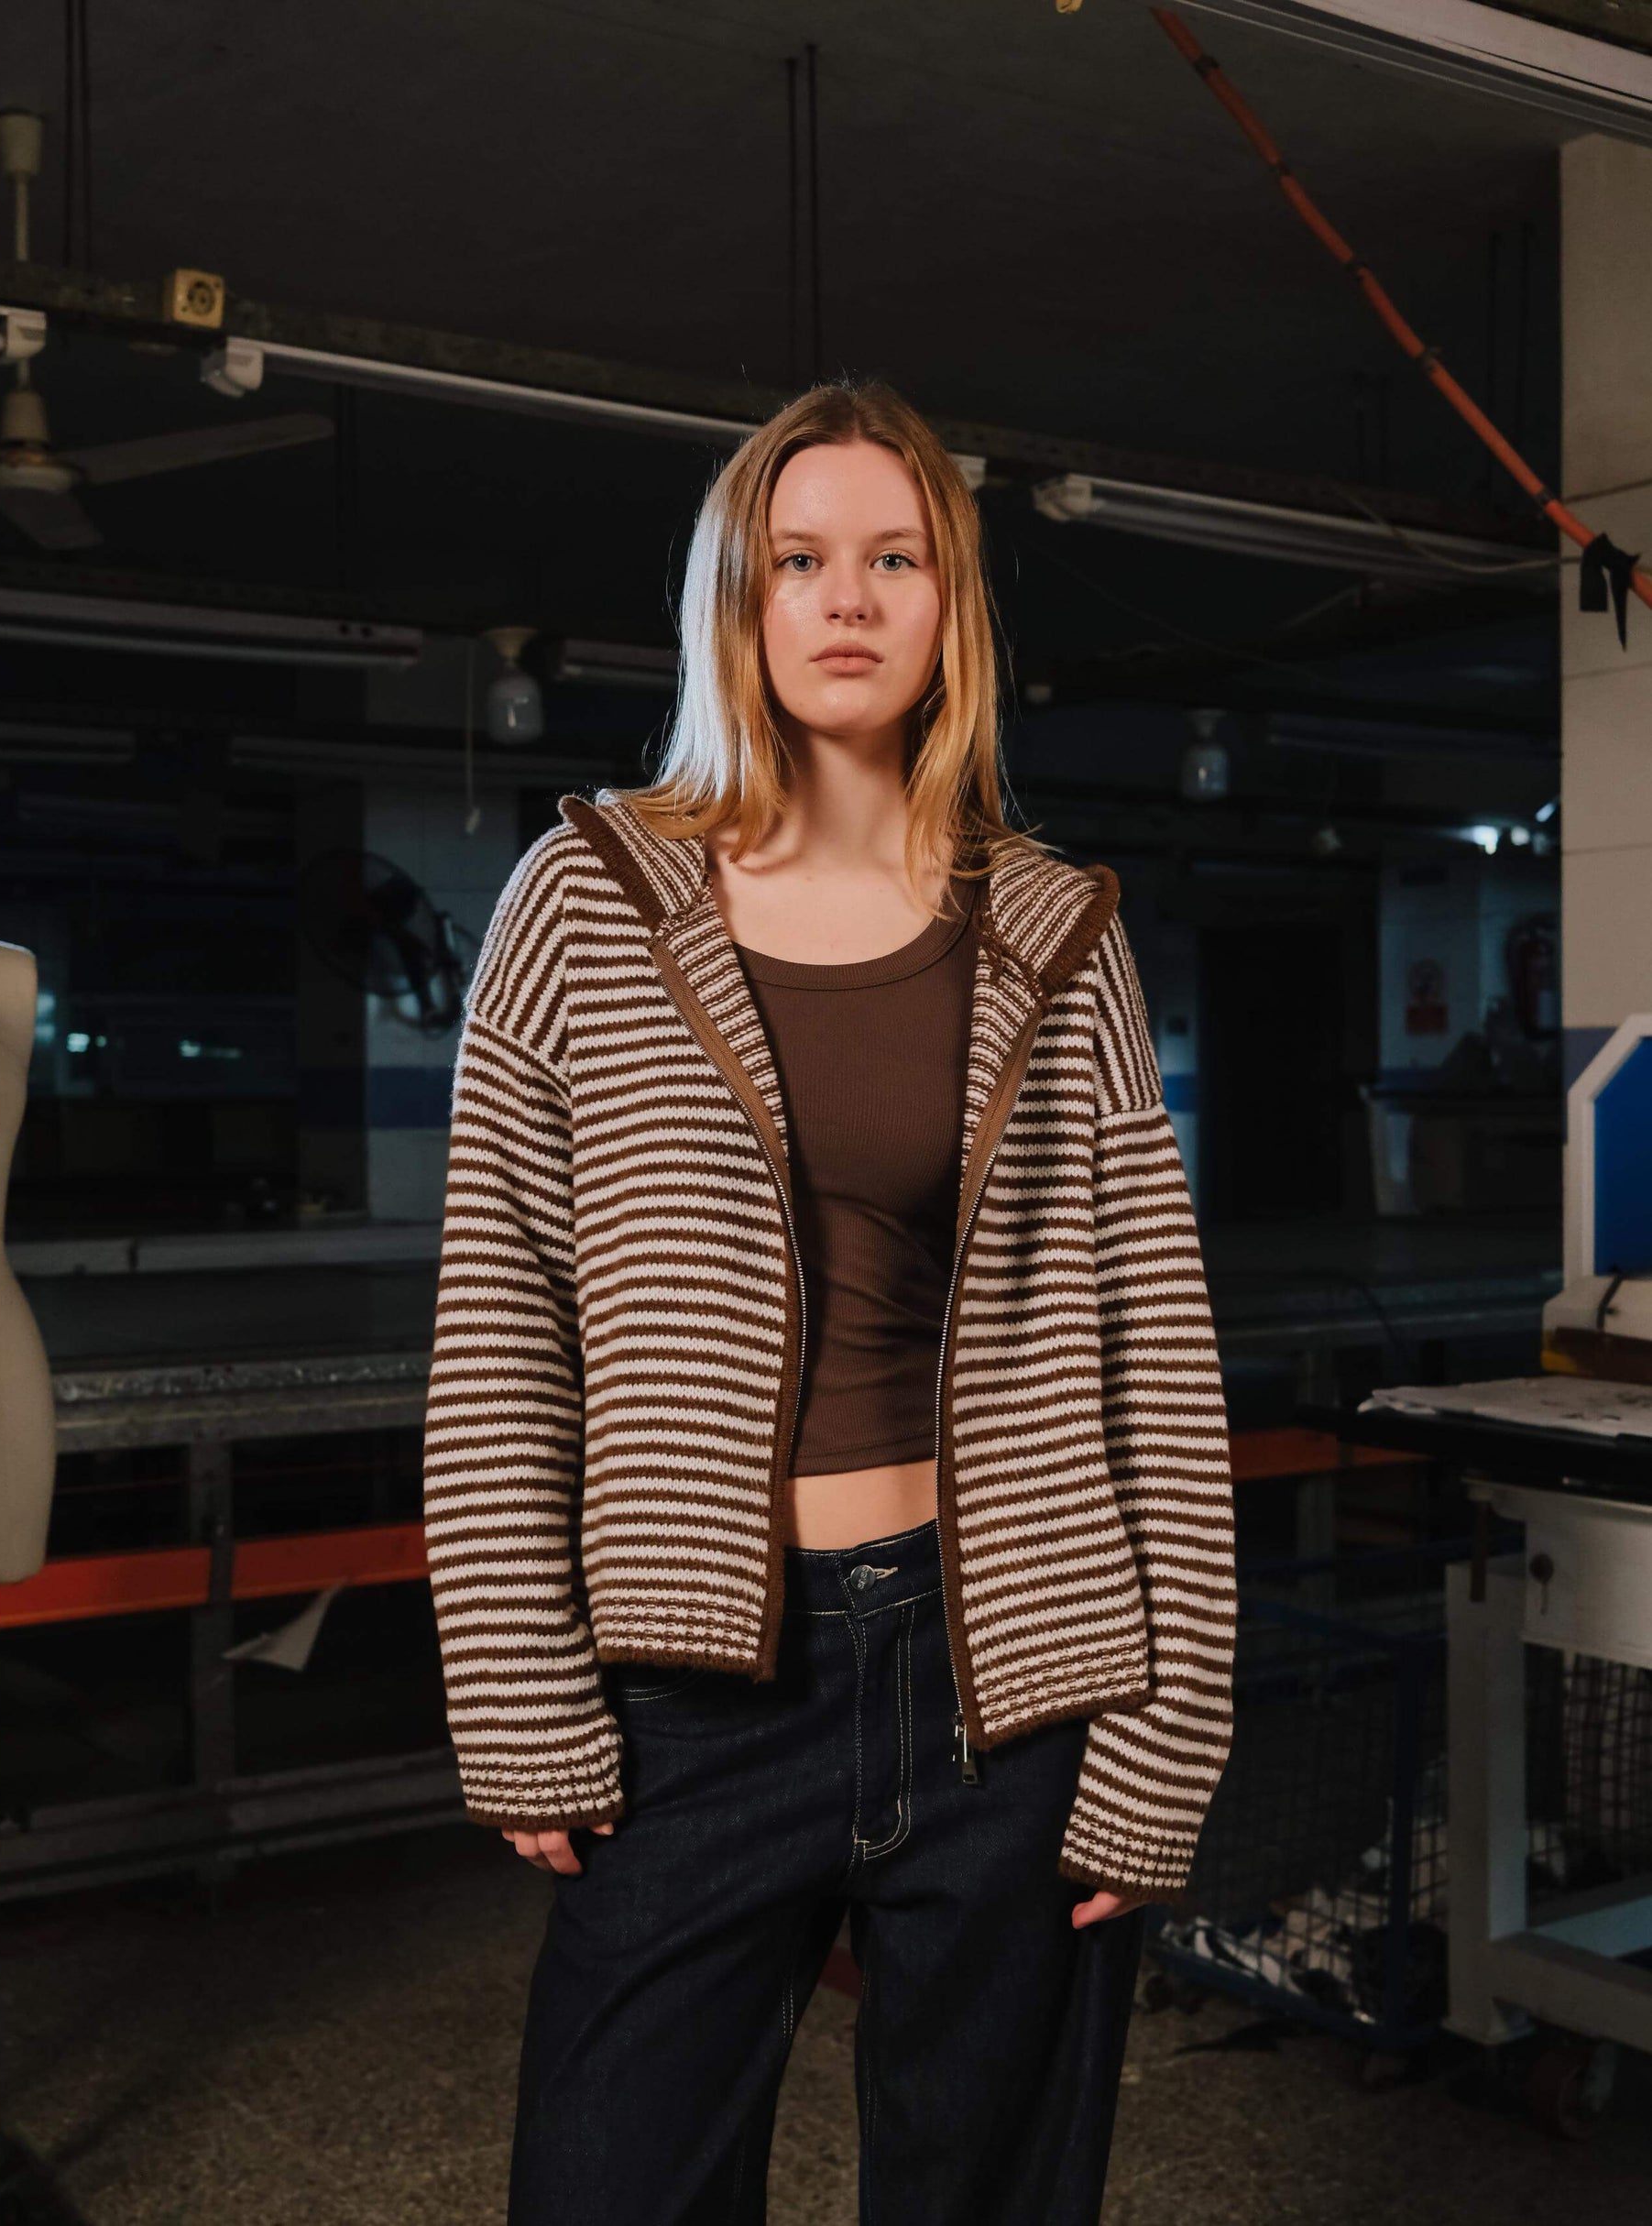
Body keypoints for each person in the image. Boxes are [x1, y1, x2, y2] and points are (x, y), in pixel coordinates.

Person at [422, 380, 1236, 2224]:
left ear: (950, 606)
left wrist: (1165, 1741)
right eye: (799, 560)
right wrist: (517, 1688)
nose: (845, 598)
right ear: (741, 601)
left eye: (892, 558)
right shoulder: (587, 902)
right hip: (697, 1697)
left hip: (1003, 1678)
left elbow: (1153, 1357)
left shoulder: (1051, 931)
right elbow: (497, 1328)